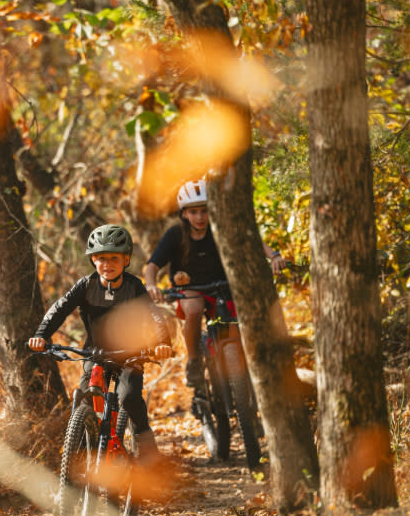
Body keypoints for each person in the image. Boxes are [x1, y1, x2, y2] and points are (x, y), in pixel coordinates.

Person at [28, 224, 172, 461]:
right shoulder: (86, 285)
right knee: (85, 396)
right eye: (101, 258)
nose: (107, 264)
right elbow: (60, 309)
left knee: (128, 397)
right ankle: (84, 455)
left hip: (130, 355)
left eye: (114, 258)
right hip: (95, 354)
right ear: (93, 259)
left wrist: (162, 341)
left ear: (126, 259)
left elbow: (153, 314)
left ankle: (147, 454)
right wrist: (42, 335)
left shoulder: (134, 286)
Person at [144, 179, 285, 400]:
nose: (200, 217)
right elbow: (152, 265)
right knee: (194, 309)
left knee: (239, 323)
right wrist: (151, 284)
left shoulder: (221, 228)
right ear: (184, 214)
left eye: (205, 211)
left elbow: (252, 242)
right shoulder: (175, 235)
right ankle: (193, 361)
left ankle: (249, 375)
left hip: (224, 286)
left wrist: (274, 256)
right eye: (194, 212)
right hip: (190, 289)